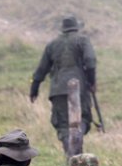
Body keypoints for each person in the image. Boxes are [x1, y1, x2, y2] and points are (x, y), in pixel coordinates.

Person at [30, 15, 96, 156]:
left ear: (63, 29)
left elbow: (41, 69)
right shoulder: (82, 40)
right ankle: (76, 153)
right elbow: (90, 61)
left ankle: (70, 154)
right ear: (76, 27)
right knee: (82, 119)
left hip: (58, 90)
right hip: (80, 89)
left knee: (63, 124)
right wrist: (92, 81)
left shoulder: (52, 44)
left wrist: (34, 87)